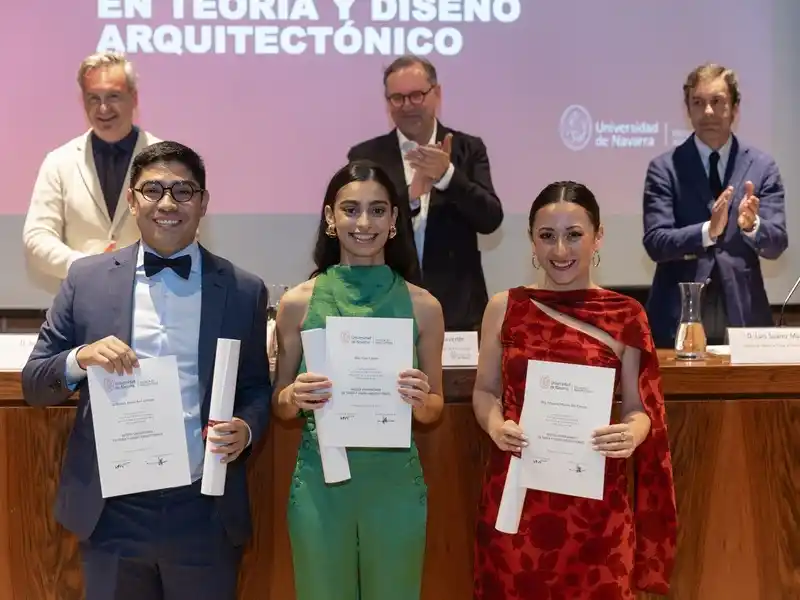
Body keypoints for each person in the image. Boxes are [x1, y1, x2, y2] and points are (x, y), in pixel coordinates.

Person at [21, 141, 271, 600]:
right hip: (112, 513)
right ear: (132, 201)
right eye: (153, 190)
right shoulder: (86, 280)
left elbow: (256, 387)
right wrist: (81, 358)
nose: (168, 203)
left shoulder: (243, 290)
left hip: (204, 511)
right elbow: (35, 382)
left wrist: (246, 428)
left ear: (204, 203)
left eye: (183, 191)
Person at [472, 181, 677, 599]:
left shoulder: (625, 314)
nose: (560, 250)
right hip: (518, 496)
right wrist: (495, 426)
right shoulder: (504, 307)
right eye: (547, 236)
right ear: (532, 240)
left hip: (597, 505)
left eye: (574, 235)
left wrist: (632, 433)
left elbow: (638, 409)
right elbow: (485, 392)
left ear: (598, 236)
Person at [272, 159, 445, 600]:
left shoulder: (424, 306)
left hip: (395, 487)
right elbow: (280, 405)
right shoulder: (298, 303)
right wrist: (294, 396)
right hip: (321, 485)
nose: (364, 223)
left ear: (394, 219)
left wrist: (420, 398)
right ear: (331, 218)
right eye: (351, 210)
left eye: (377, 210)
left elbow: (434, 410)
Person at [347, 54, 503, 331]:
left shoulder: (467, 149)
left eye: (416, 95)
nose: (407, 106)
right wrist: (409, 197)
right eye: (397, 98)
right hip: (386, 309)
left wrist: (448, 176)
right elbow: (359, 228)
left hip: (459, 315)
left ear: (437, 93)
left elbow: (490, 219)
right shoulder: (366, 156)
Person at [642, 63, 788, 347]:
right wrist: (708, 231)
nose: (708, 111)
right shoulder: (664, 168)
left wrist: (753, 226)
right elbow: (656, 242)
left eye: (717, 101)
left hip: (743, 312)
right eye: (698, 102)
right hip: (678, 315)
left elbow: (777, 243)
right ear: (688, 109)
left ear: (735, 108)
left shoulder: (762, 166)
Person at [23, 51, 161, 281]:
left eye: (113, 96)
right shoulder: (58, 161)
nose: (103, 108)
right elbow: (36, 236)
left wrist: (134, 267)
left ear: (134, 98)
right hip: (81, 296)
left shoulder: (167, 161)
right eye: (94, 98)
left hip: (150, 293)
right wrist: (85, 266)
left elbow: (185, 234)